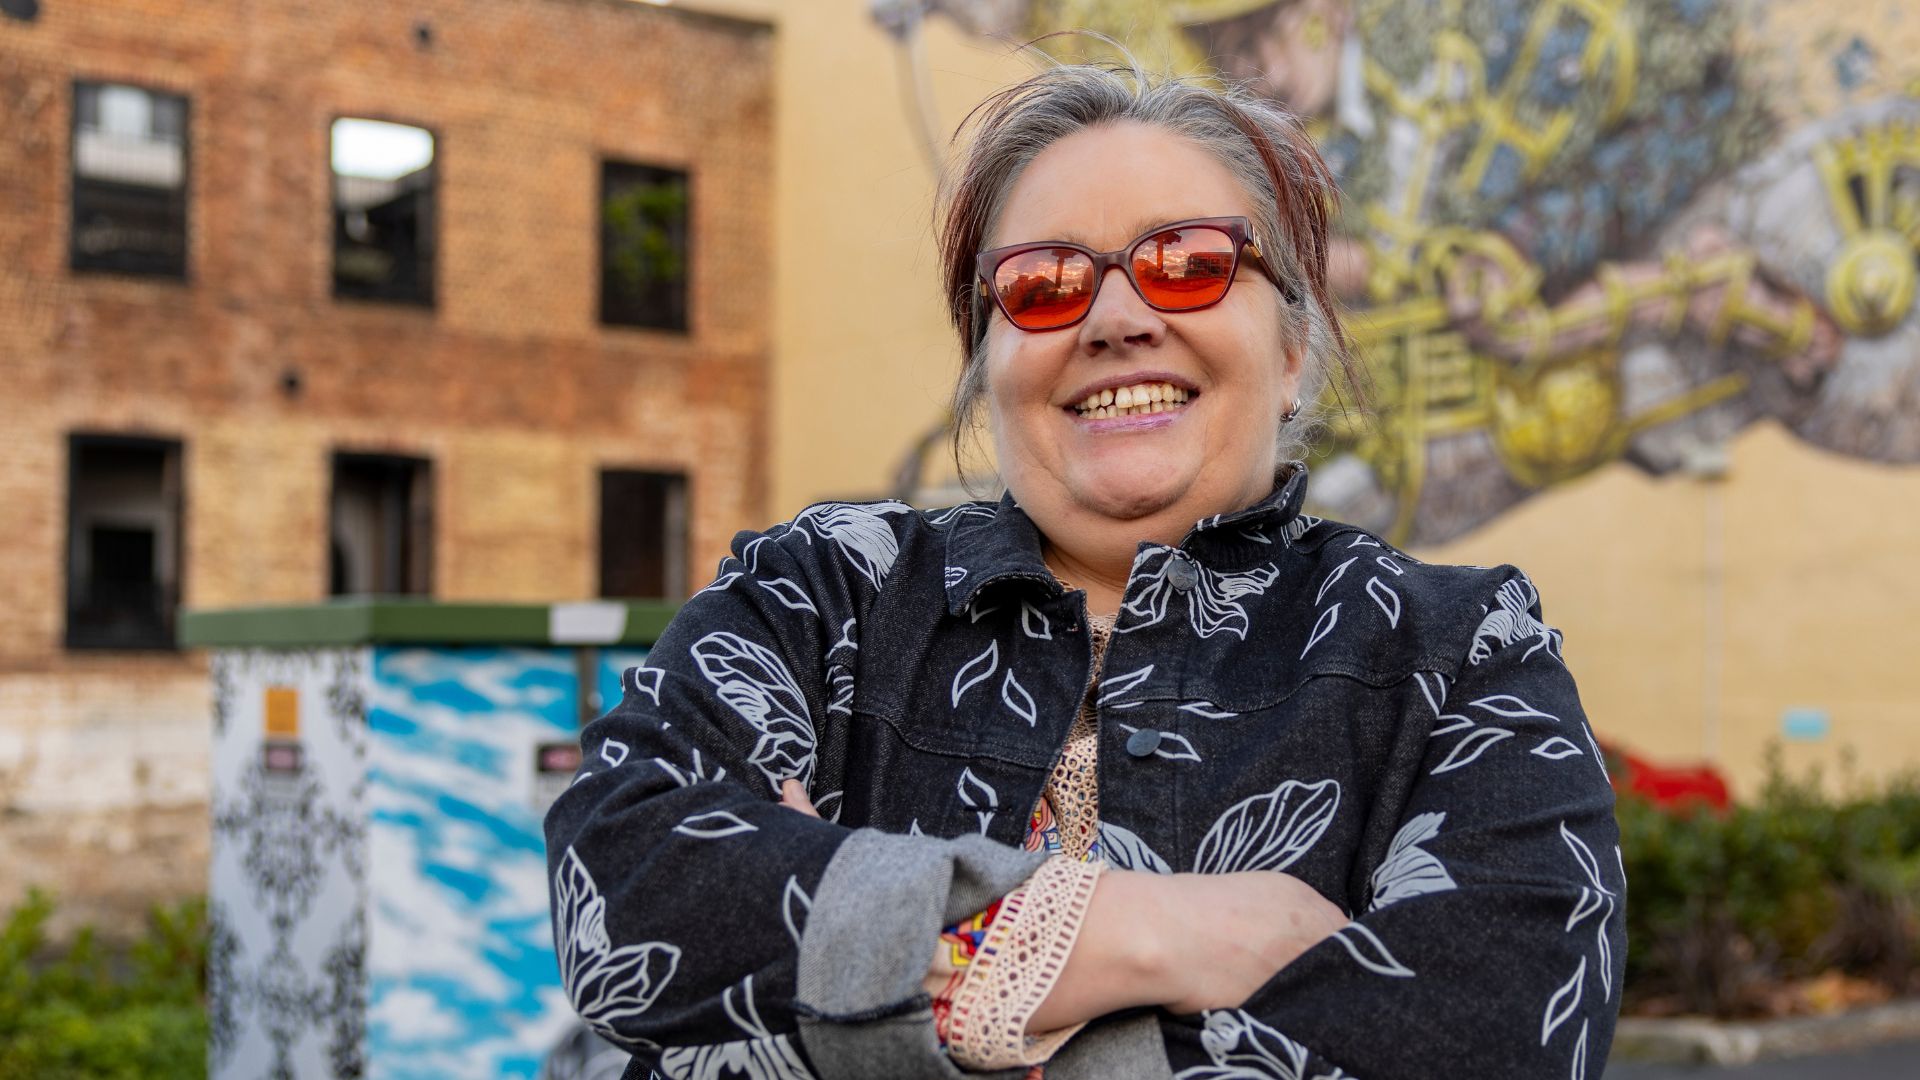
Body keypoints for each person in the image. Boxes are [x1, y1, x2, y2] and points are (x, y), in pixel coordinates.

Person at [545, 56, 1626, 1080]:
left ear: (1294, 350)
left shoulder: (1456, 655)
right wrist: (1160, 937)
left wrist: (861, 981)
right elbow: (626, 885)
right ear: (988, 365)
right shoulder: (821, 595)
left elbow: (1489, 1035)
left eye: (1191, 264)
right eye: (1046, 283)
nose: (1116, 318)